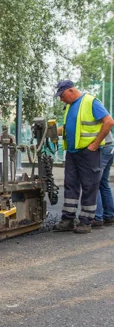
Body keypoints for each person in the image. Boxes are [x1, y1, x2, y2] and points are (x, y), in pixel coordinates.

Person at [52, 80, 114, 234]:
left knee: (89, 185)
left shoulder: (90, 101)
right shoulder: (70, 107)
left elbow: (109, 122)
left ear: (71, 90)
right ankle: (68, 220)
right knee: (70, 185)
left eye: (62, 95)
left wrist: (95, 144)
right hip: (73, 152)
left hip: (89, 152)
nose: (61, 98)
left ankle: (86, 221)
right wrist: (49, 131)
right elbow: (67, 128)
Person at [93, 131, 114, 227]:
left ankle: (97, 217)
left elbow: (109, 122)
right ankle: (109, 215)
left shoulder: (94, 115)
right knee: (103, 183)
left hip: (102, 148)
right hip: (109, 147)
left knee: (94, 184)